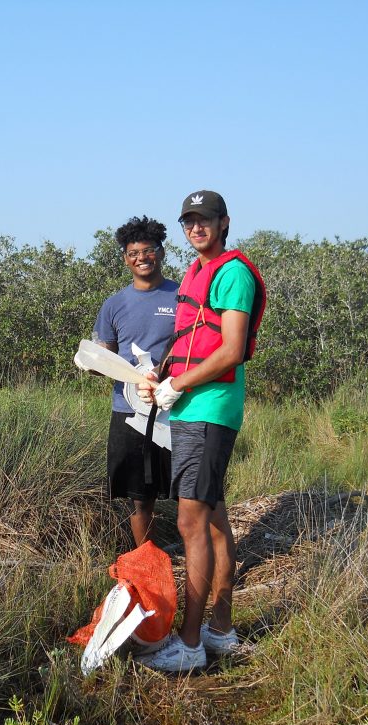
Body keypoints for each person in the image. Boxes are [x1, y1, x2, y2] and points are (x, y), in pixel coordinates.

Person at [136, 190, 265, 672]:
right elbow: (192, 338)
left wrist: (180, 386)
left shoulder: (232, 272)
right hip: (192, 403)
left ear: (224, 222)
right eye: (189, 222)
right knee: (212, 520)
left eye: (205, 220)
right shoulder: (196, 271)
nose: (196, 228)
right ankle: (220, 631)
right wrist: (163, 377)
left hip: (210, 408)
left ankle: (189, 645)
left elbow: (231, 350)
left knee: (190, 521)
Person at [86, 216, 178, 547]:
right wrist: (91, 363)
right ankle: (148, 565)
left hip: (175, 408)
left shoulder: (182, 298)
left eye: (148, 250)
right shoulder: (114, 304)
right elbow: (103, 355)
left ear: (161, 253)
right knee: (139, 499)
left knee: (190, 496)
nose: (141, 257)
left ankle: (200, 564)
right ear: (125, 258)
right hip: (128, 412)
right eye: (133, 252)